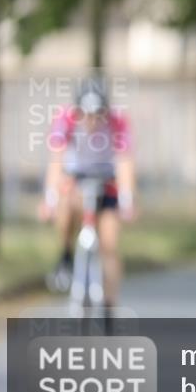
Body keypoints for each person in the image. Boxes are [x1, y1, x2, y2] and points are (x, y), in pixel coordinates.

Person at [39, 76, 136, 317]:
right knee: (65, 202)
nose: (92, 120)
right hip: (76, 178)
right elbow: (56, 160)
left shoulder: (117, 121)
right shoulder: (65, 119)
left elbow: (125, 162)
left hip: (106, 181)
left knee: (110, 244)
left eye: (97, 114)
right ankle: (65, 252)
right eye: (86, 114)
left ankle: (109, 305)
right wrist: (49, 199)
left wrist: (127, 200)